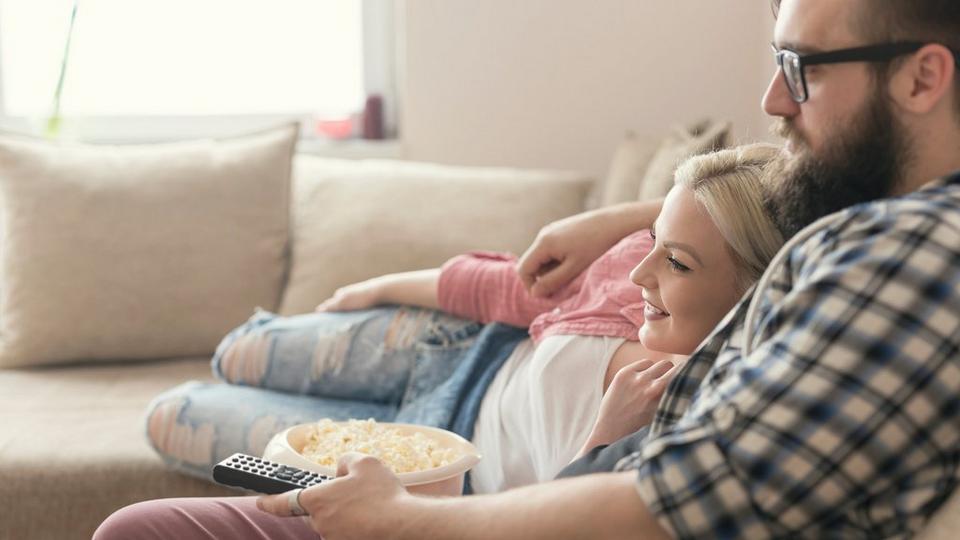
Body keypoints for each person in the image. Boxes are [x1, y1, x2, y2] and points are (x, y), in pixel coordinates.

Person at [98, 0, 960, 537]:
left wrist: (404, 520)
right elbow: (743, 193)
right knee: (161, 489)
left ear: (925, 77)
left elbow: (680, 500)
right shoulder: (858, 218)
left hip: (480, 493)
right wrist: (622, 220)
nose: (773, 101)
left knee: (154, 496)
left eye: (797, 68)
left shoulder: (914, 254)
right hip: (478, 406)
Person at [140, 143, 782, 500]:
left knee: (174, 412)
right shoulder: (632, 274)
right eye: (652, 244)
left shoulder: (703, 413)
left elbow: (559, 520)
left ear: (756, 291)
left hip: (433, 466)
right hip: (452, 350)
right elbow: (512, 287)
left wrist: (604, 441)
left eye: (676, 263)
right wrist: (375, 288)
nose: (644, 274)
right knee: (241, 348)